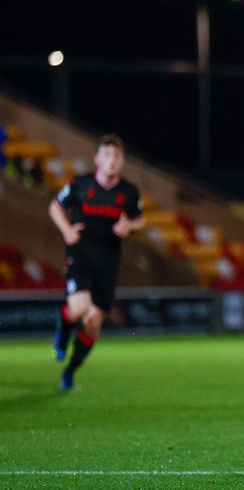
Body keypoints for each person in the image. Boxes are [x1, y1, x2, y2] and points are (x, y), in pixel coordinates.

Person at [49, 134, 144, 391]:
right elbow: (55, 207)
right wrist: (67, 229)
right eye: (107, 155)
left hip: (108, 261)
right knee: (79, 308)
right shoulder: (81, 184)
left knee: (93, 323)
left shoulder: (129, 192)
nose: (111, 160)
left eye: (116, 156)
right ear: (97, 159)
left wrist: (130, 225)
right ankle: (63, 328)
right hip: (80, 253)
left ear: (122, 161)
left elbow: (140, 219)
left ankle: (69, 372)